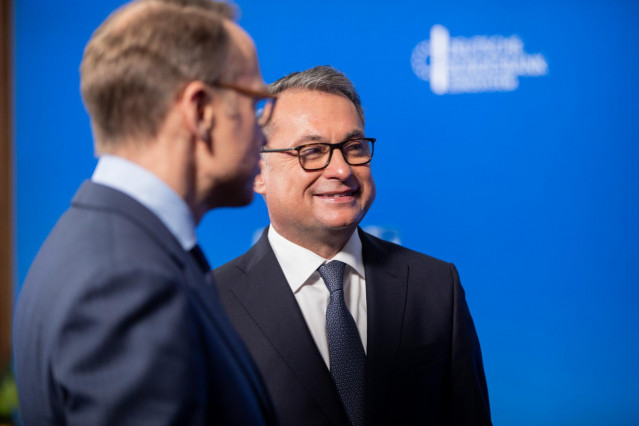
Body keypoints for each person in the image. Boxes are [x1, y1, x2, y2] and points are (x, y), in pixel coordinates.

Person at [13, 1, 278, 424]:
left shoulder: (99, 244)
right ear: (200, 111)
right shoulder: (126, 282)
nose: (262, 131)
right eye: (253, 103)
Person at [214, 65, 491, 425]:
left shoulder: (436, 286)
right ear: (257, 171)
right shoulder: (209, 304)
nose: (342, 169)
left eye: (354, 147)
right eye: (311, 151)